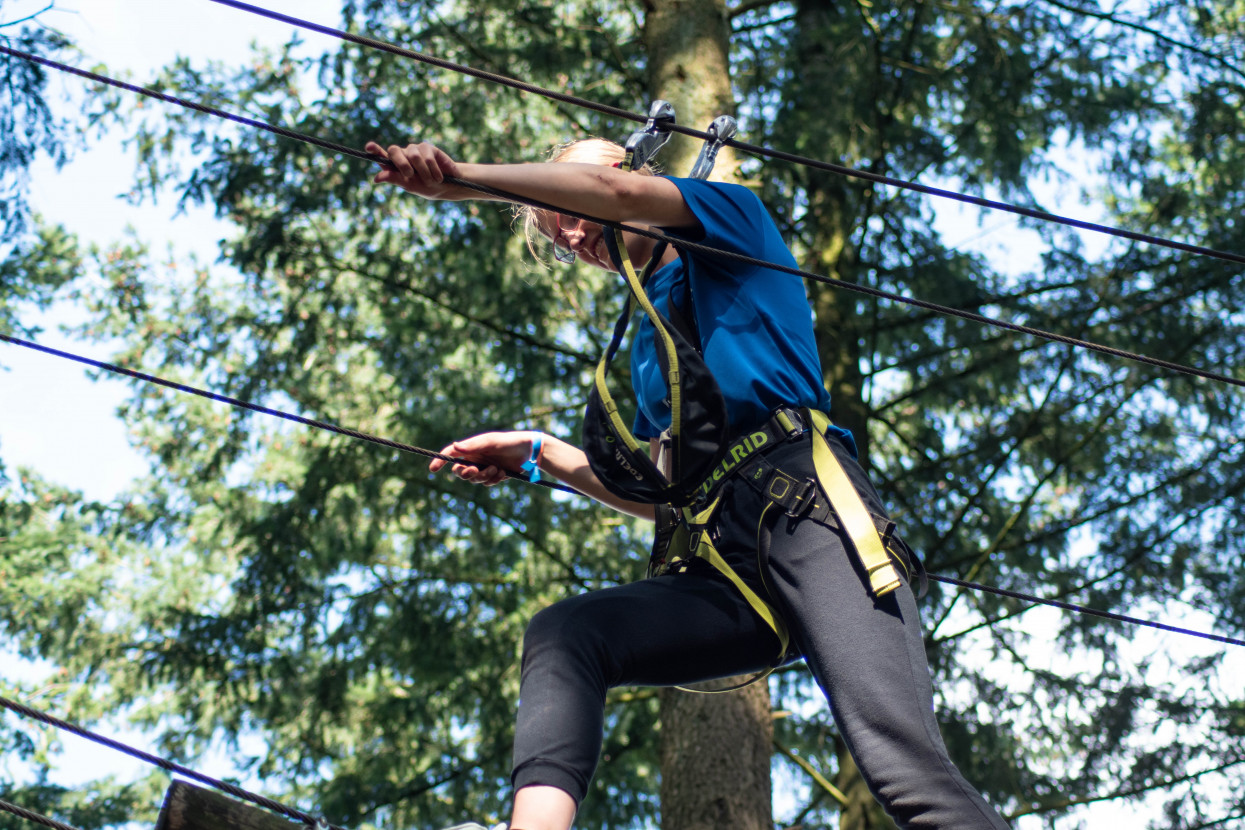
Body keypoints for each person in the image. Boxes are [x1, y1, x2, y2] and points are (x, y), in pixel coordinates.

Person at [364, 137, 1012, 830]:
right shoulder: (650, 348)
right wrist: (541, 452)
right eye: (560, 234)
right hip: (722, 566)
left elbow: (614, 199)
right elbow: (659, 491)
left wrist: (459, 178)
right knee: (566, 634)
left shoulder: (731, 221)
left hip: (807, 516)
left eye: (570, 209)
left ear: (624, 173)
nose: (576, 236)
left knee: (901, 770)